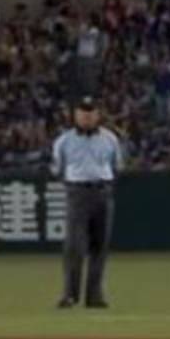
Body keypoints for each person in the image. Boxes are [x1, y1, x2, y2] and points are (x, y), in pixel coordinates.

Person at [50, 96, 123, 309]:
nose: (87, 116)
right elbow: (57, 169)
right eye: (83, 112)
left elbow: (117, 166)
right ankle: (70, 295)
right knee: (75, 246)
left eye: (91, 112)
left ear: (98, 115)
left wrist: (106, 185)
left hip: (103, 190)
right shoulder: (64, 140)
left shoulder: (110, 139)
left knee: (100, 246)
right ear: (76, 115)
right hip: (78, 191)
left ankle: (95, 296)